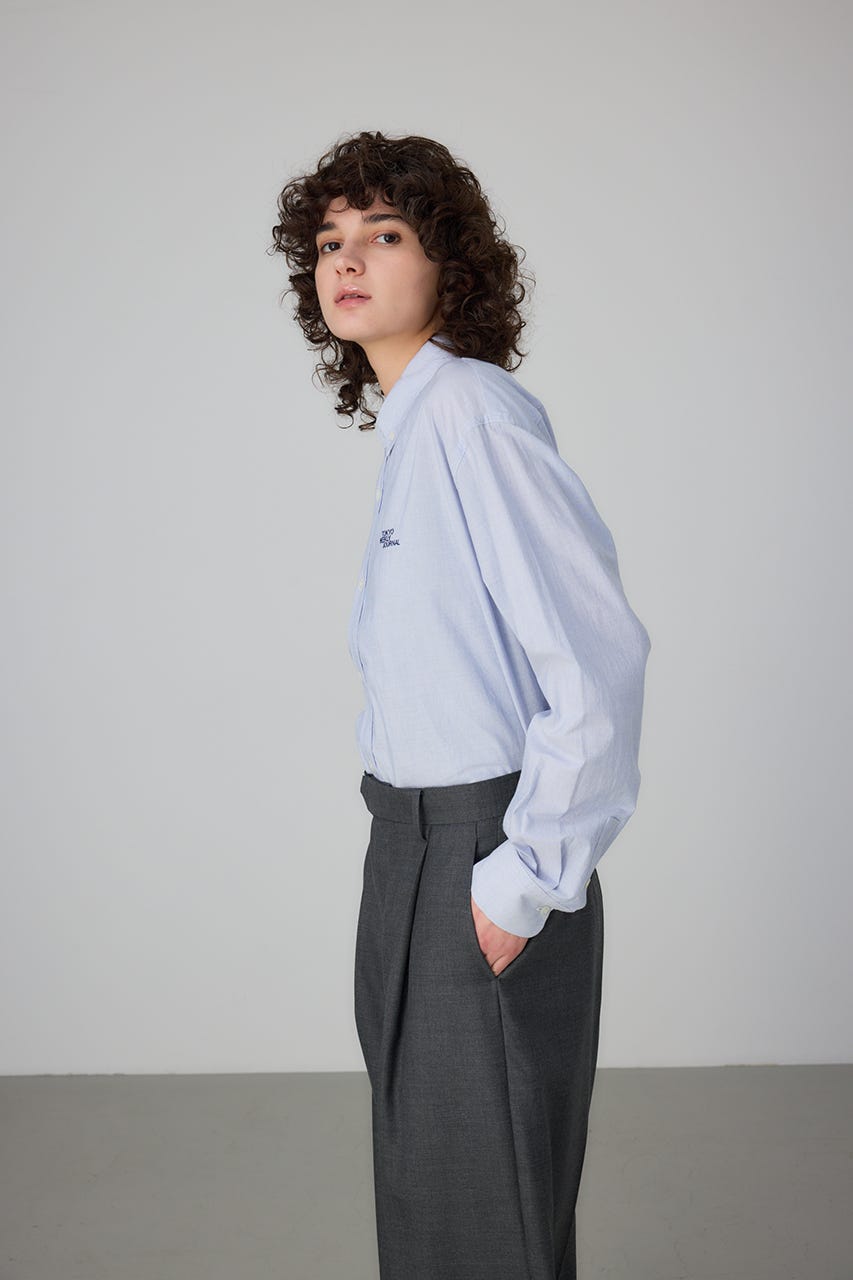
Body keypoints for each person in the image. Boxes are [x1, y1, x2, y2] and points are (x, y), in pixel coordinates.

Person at [270, 130, 651, 1280]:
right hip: (407, 842)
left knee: (484, 1204)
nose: (346, 259)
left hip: (482, 844)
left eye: (384, 234)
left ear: (451, 263)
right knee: (435, 1192)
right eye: (328, 242)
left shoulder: (473, 413)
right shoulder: (415, 426)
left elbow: (596, 656)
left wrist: (525, 874)